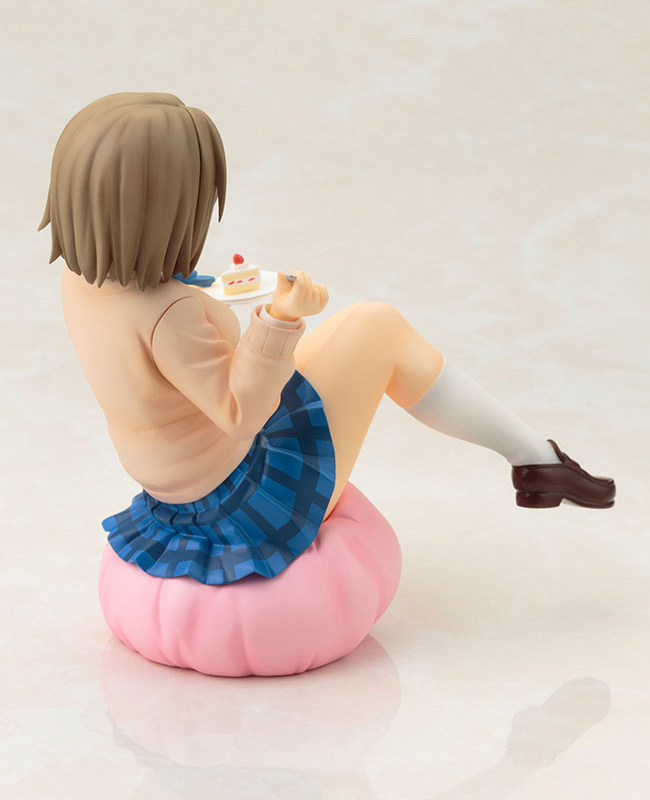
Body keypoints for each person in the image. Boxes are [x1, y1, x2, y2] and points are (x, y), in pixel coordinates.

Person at [40, 92, 615, 588]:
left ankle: (536, 460)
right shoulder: (171, 314)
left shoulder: (82, 280)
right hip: (239, 497)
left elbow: (156, 354)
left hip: (174, 487)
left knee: (363, 327)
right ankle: (535, 459)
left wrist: (215, 286)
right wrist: (280, 319)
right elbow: (239, 412)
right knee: (380, 327)